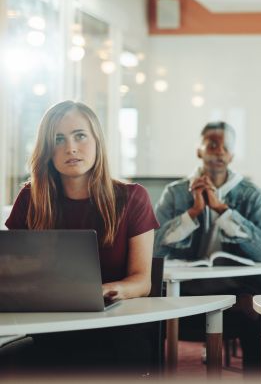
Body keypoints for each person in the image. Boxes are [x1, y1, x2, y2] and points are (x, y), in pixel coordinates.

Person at [5, 100, 158, 374]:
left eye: (80, 136)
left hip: (113, 329)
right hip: (49, 328)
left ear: (97, 140)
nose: (70, 148)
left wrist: (103, 291)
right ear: (47, 149)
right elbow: (12, 270)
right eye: (58, 139)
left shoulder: (132, 197)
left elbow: (141, 282)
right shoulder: (30, 198)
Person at [154, 121, 261, 374]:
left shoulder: (249, 194)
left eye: (226, 147)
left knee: (257, 306)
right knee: (149, 313)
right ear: (199, 151)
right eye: (212, 145)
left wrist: (224, 212)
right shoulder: (176, 193)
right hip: (185, 292)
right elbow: (154, 247)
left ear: (232, 155)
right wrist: (193, 212)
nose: (219, 151)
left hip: (237, 295)